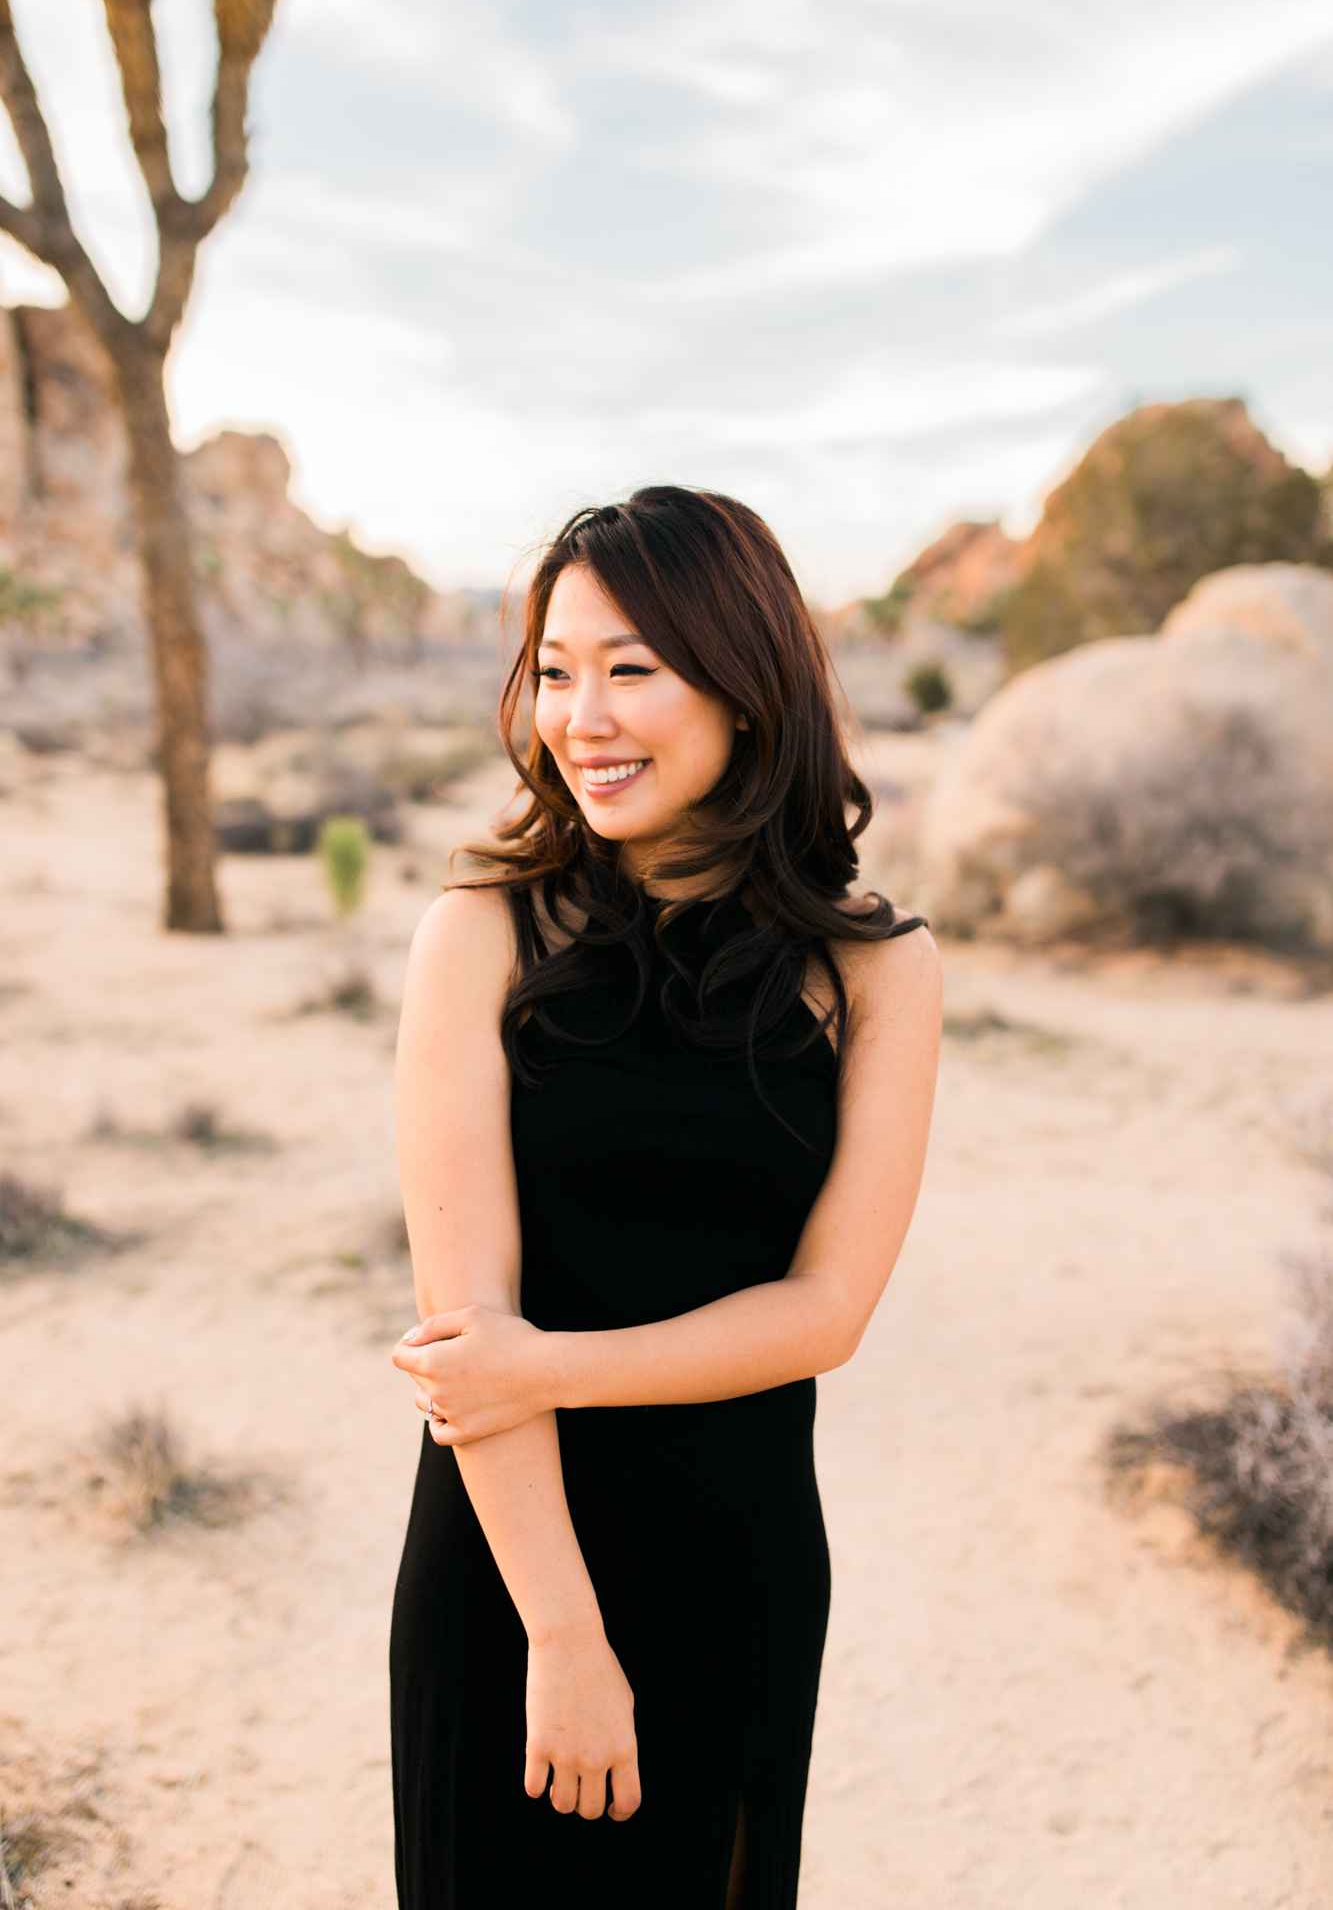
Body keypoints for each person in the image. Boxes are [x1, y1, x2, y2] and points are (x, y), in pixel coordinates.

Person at [389, 486, 941, 1910]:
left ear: (745, 689)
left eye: (630, 668)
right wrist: (562, 1641)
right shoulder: (478, 934)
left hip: (738, 1555)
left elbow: (826, 1312)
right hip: (510, 1564)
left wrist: (544, 1368)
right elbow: (469, 1332)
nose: (583, 717)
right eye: (556, 673)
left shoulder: (875, 971)